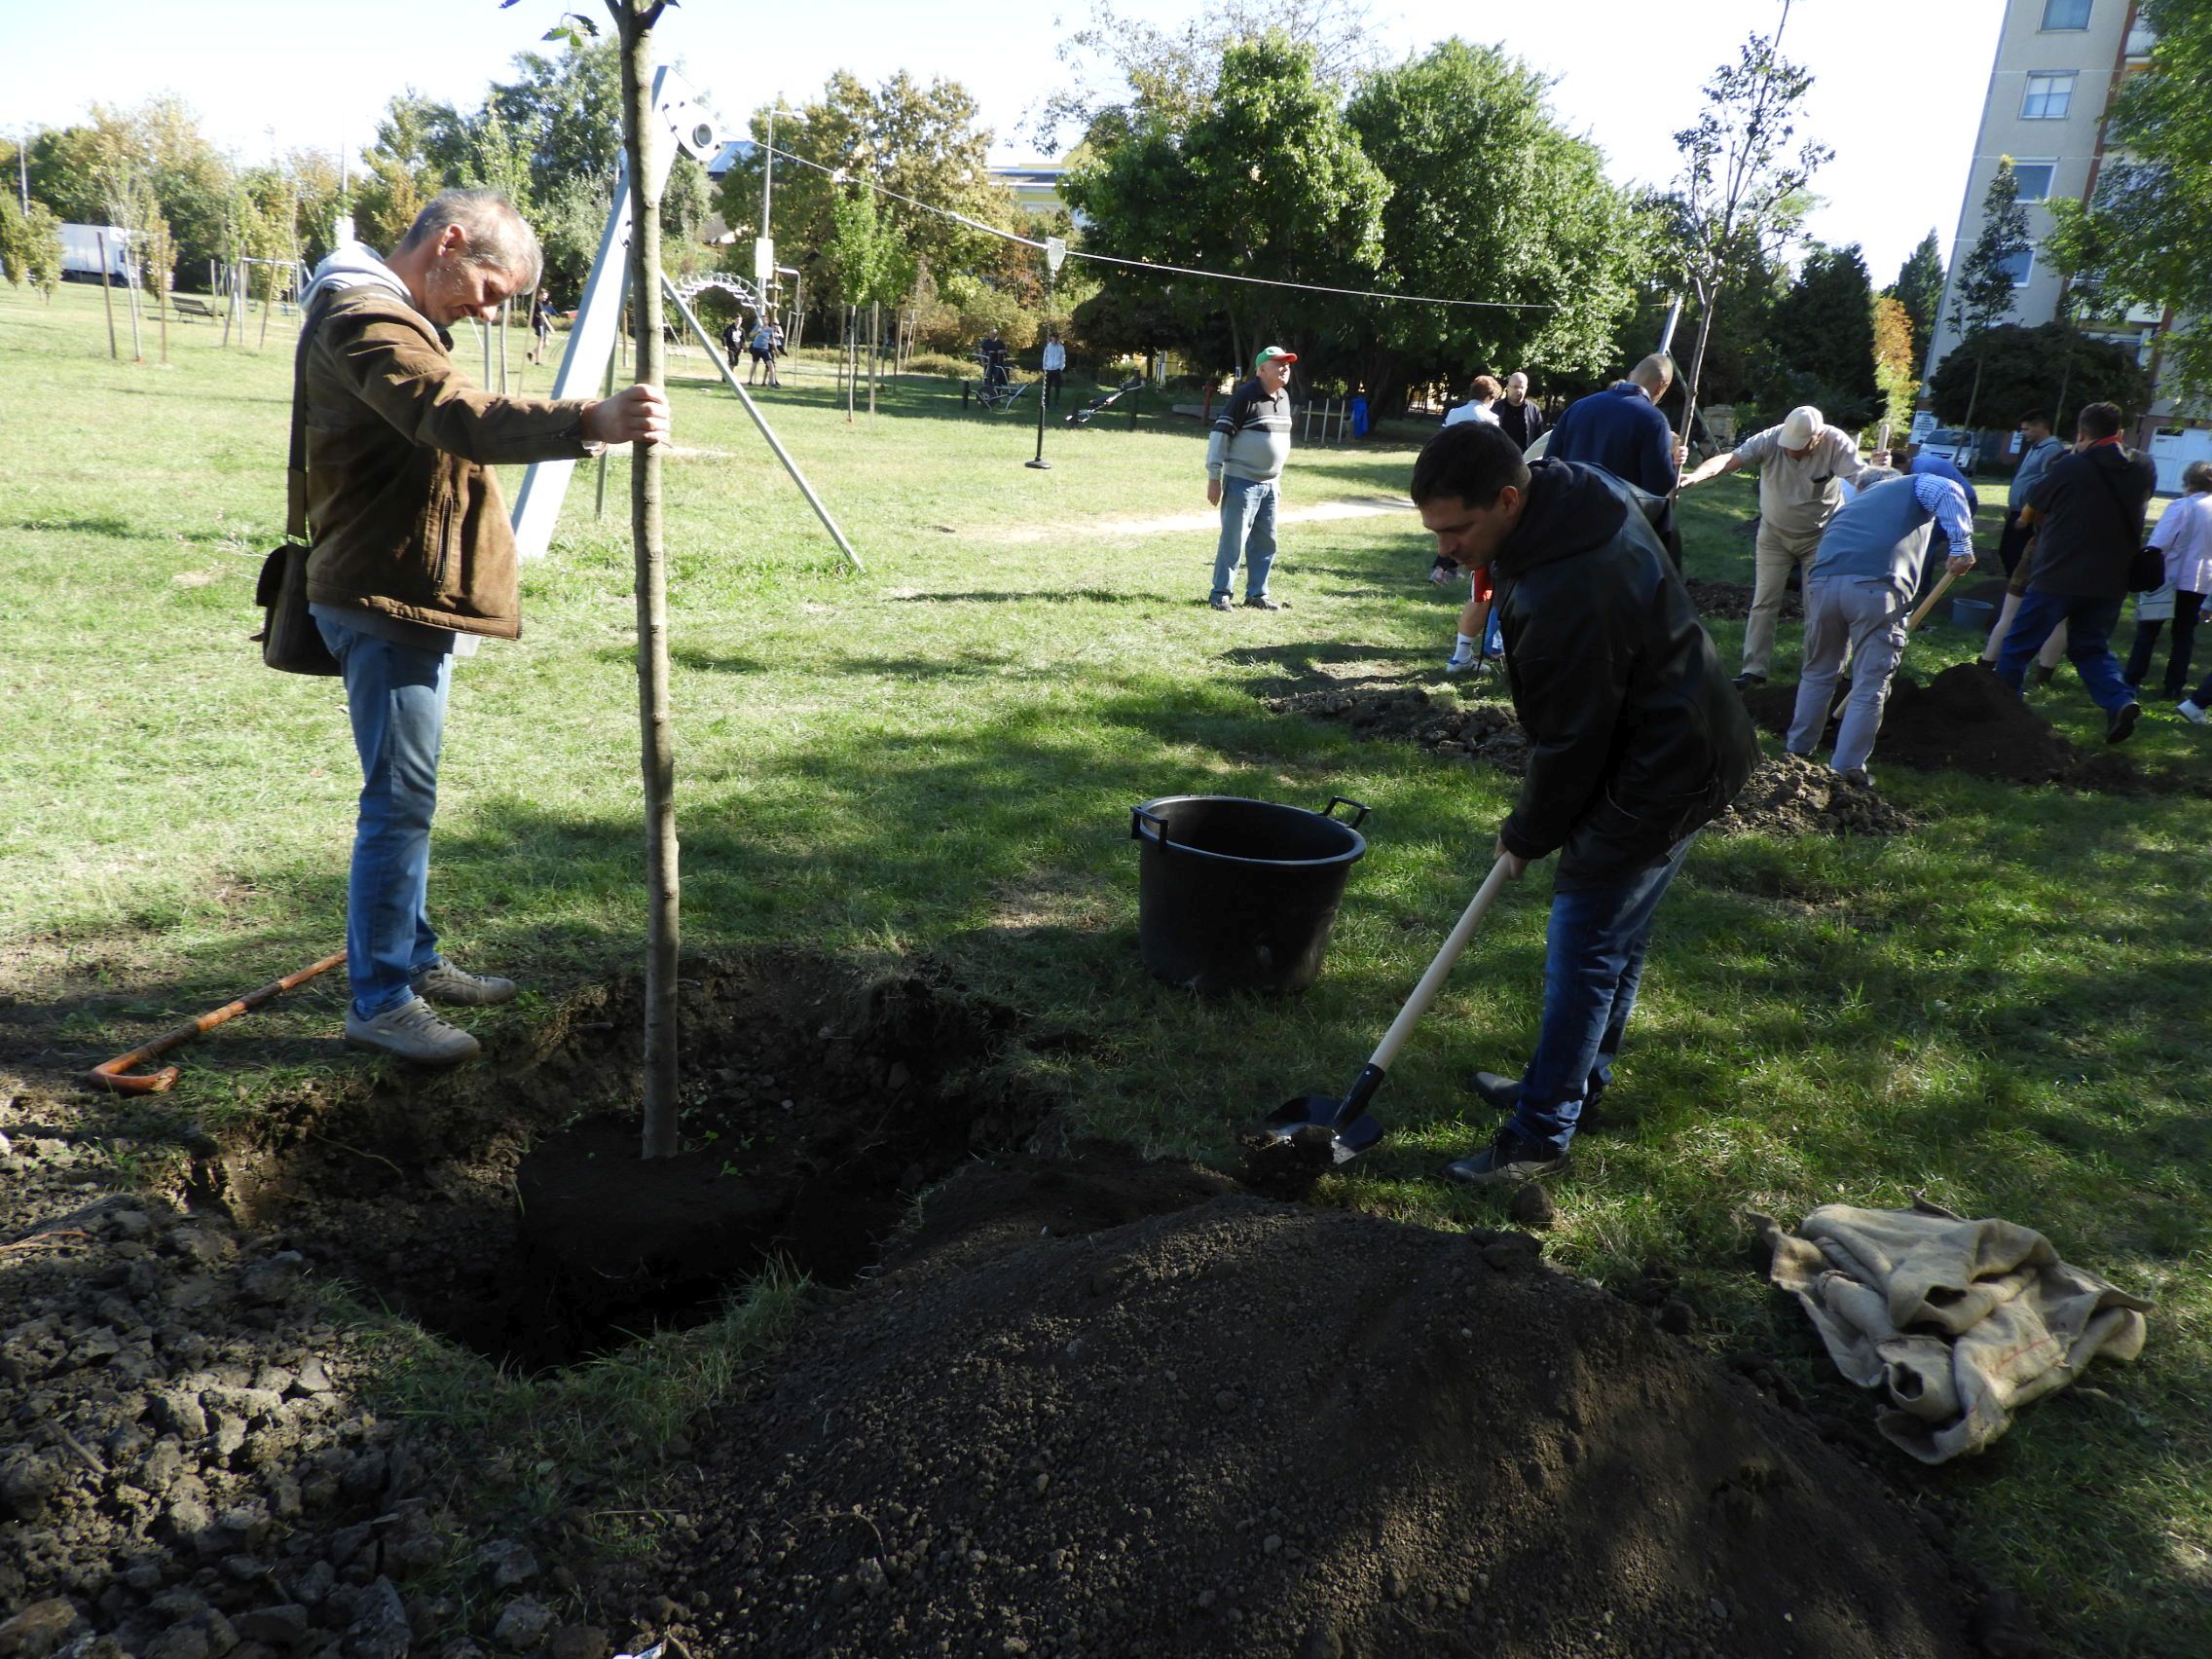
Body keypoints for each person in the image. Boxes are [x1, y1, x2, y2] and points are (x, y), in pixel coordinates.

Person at [298, 190, 670, 1064]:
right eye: (492, 289)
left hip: (399, 592)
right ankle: (381, 998)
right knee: (397, 804)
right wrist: (588, 421)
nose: (491, 310)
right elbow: (449, 412)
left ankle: (413, 960)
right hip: (382, 597)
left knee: (406, 798)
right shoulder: (362, 319)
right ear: (449, 243)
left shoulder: (390, 315)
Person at [1410, 422, 1756, 1185]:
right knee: (1616, 938)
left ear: (1507, 499)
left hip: (1661, 769)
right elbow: (1660, 510)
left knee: (1588, 941)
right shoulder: (1580, 486)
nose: (1446, 548)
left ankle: (1540, 1133)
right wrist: (1662, 619)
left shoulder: (1566, 592)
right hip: (1685, 733)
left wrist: (1528, 832)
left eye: (1458, 530)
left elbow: (1570, 745)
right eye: (1435, 530)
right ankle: (1573, 1087)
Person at [1783, 472, 1979, 787]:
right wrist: (1961, 545)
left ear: (1864, 486)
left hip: (1821, 587)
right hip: (1876, 590)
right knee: (1870, 684)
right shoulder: (1912, 483)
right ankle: (1846, 770)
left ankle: (1795, 754)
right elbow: (1947, 488)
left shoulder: (1851, 506)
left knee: (1818, 672)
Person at [1993, 402, 2158, 743]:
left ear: (2081, 434)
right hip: (2112, 579)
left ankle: (2004, 714)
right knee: (2091, 648)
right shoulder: (2144, 466)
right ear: (2121, 433)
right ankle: (2119, 700)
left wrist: (2072, 457)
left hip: (2058, 575)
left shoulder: (2070, 467)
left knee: (2019, 645)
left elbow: (2034, 500)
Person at [1678, 405, 1864, 687]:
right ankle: (1753, 671)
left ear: (1817, 437)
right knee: (1763, 602)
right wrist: (1696, 475)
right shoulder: (1771, 439)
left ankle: (1819, 674)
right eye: (1788, 446)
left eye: (1798, 447)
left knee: (1819, 608)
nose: (1790, 451)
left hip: (1820, 537)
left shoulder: (1836, 443)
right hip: (1774, 535)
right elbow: (1730, 459)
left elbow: (1863, 481)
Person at [1546, 353, 1685, 569]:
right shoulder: (1653, 419)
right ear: (1660, 387)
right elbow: (1657, 486)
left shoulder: (1579, 407)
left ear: (1630, 375)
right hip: (1616, 532)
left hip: (1568, 523)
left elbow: (1550, 463)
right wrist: (1670, 460)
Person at [1204, 346, 1297, 611]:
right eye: (1278, 363)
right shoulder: (1245, 396)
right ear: (1261, 369)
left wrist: (1276, 479)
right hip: (1241, 482)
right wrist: (1214, 476)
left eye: (1287, 364)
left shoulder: (1284, 397)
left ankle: (1258, 594)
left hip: (1270, 484)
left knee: (1267, 542)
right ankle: (1220, 594)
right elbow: (1220, 435)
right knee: (1233, 541)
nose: (1285, 368)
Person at [2136, 461, 2212, 714]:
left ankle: (2134, 677)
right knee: (2183, 634)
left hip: (2169, 575)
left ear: (2189, 481)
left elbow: (2160, 542)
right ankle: (2174, 686)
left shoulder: (2183, 506)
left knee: (2149, 630)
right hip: (2200, 580)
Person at [2000, 413, 2068, 576]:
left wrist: (2027, 514)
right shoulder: (2035, 447)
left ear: (2040, 427)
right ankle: (2011, 585)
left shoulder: (2051, 449)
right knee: (2006, 551)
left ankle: (2017, 590)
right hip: (2017, 510)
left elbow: (2046, 485)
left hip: (2029, 514)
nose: (2023, 433)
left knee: (2016, 554)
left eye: (2027, 429)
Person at [1493, 371, 1546, 452]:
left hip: (1524, 459)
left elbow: (1538, 438)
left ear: (1526, 388)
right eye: (1515, 387)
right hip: (1499, 457)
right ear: (1508, 387)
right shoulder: (1495, 408)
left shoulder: (1534, 411)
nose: (1519, 390)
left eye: (1522, 387)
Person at [748, 315, 779, 387]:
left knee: (771, 365)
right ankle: (750, 381)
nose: (764, 321)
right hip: (756, 348)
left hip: (765, 349)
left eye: (765, 320)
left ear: (768, 321)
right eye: (763, 320)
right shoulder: (758, 326)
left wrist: (776, 350)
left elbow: (773, 340)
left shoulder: (770, 329)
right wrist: (757, 331)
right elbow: (750, 335)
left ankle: (773, 382)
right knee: (754, 364)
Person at [1041, 331, 1067, 410]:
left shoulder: (1061, 347)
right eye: (1053, 337)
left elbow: (1063, 358)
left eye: (1056, 337)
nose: (1054, 339)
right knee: (1047, 387)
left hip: (1056, 369)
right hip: (1049, 369)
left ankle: (1056, 403)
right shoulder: (1048, 347)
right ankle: (1046, 403)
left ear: (1057, 338)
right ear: (1051, 338)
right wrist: (1044, 367)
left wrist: (1061, 367)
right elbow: (1045, 358)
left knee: (1057, 387)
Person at [528, 288, 553, 365]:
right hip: (538, 324)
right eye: (545, 295)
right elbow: (542, 316)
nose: (546, 297)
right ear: (540, 295)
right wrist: (550, 327)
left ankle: (531, 353)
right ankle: (538, 361)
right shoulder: (537, 303)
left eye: (546, 296)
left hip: (542, 324)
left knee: (546, 344)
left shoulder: (541, 303)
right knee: (540, 341)